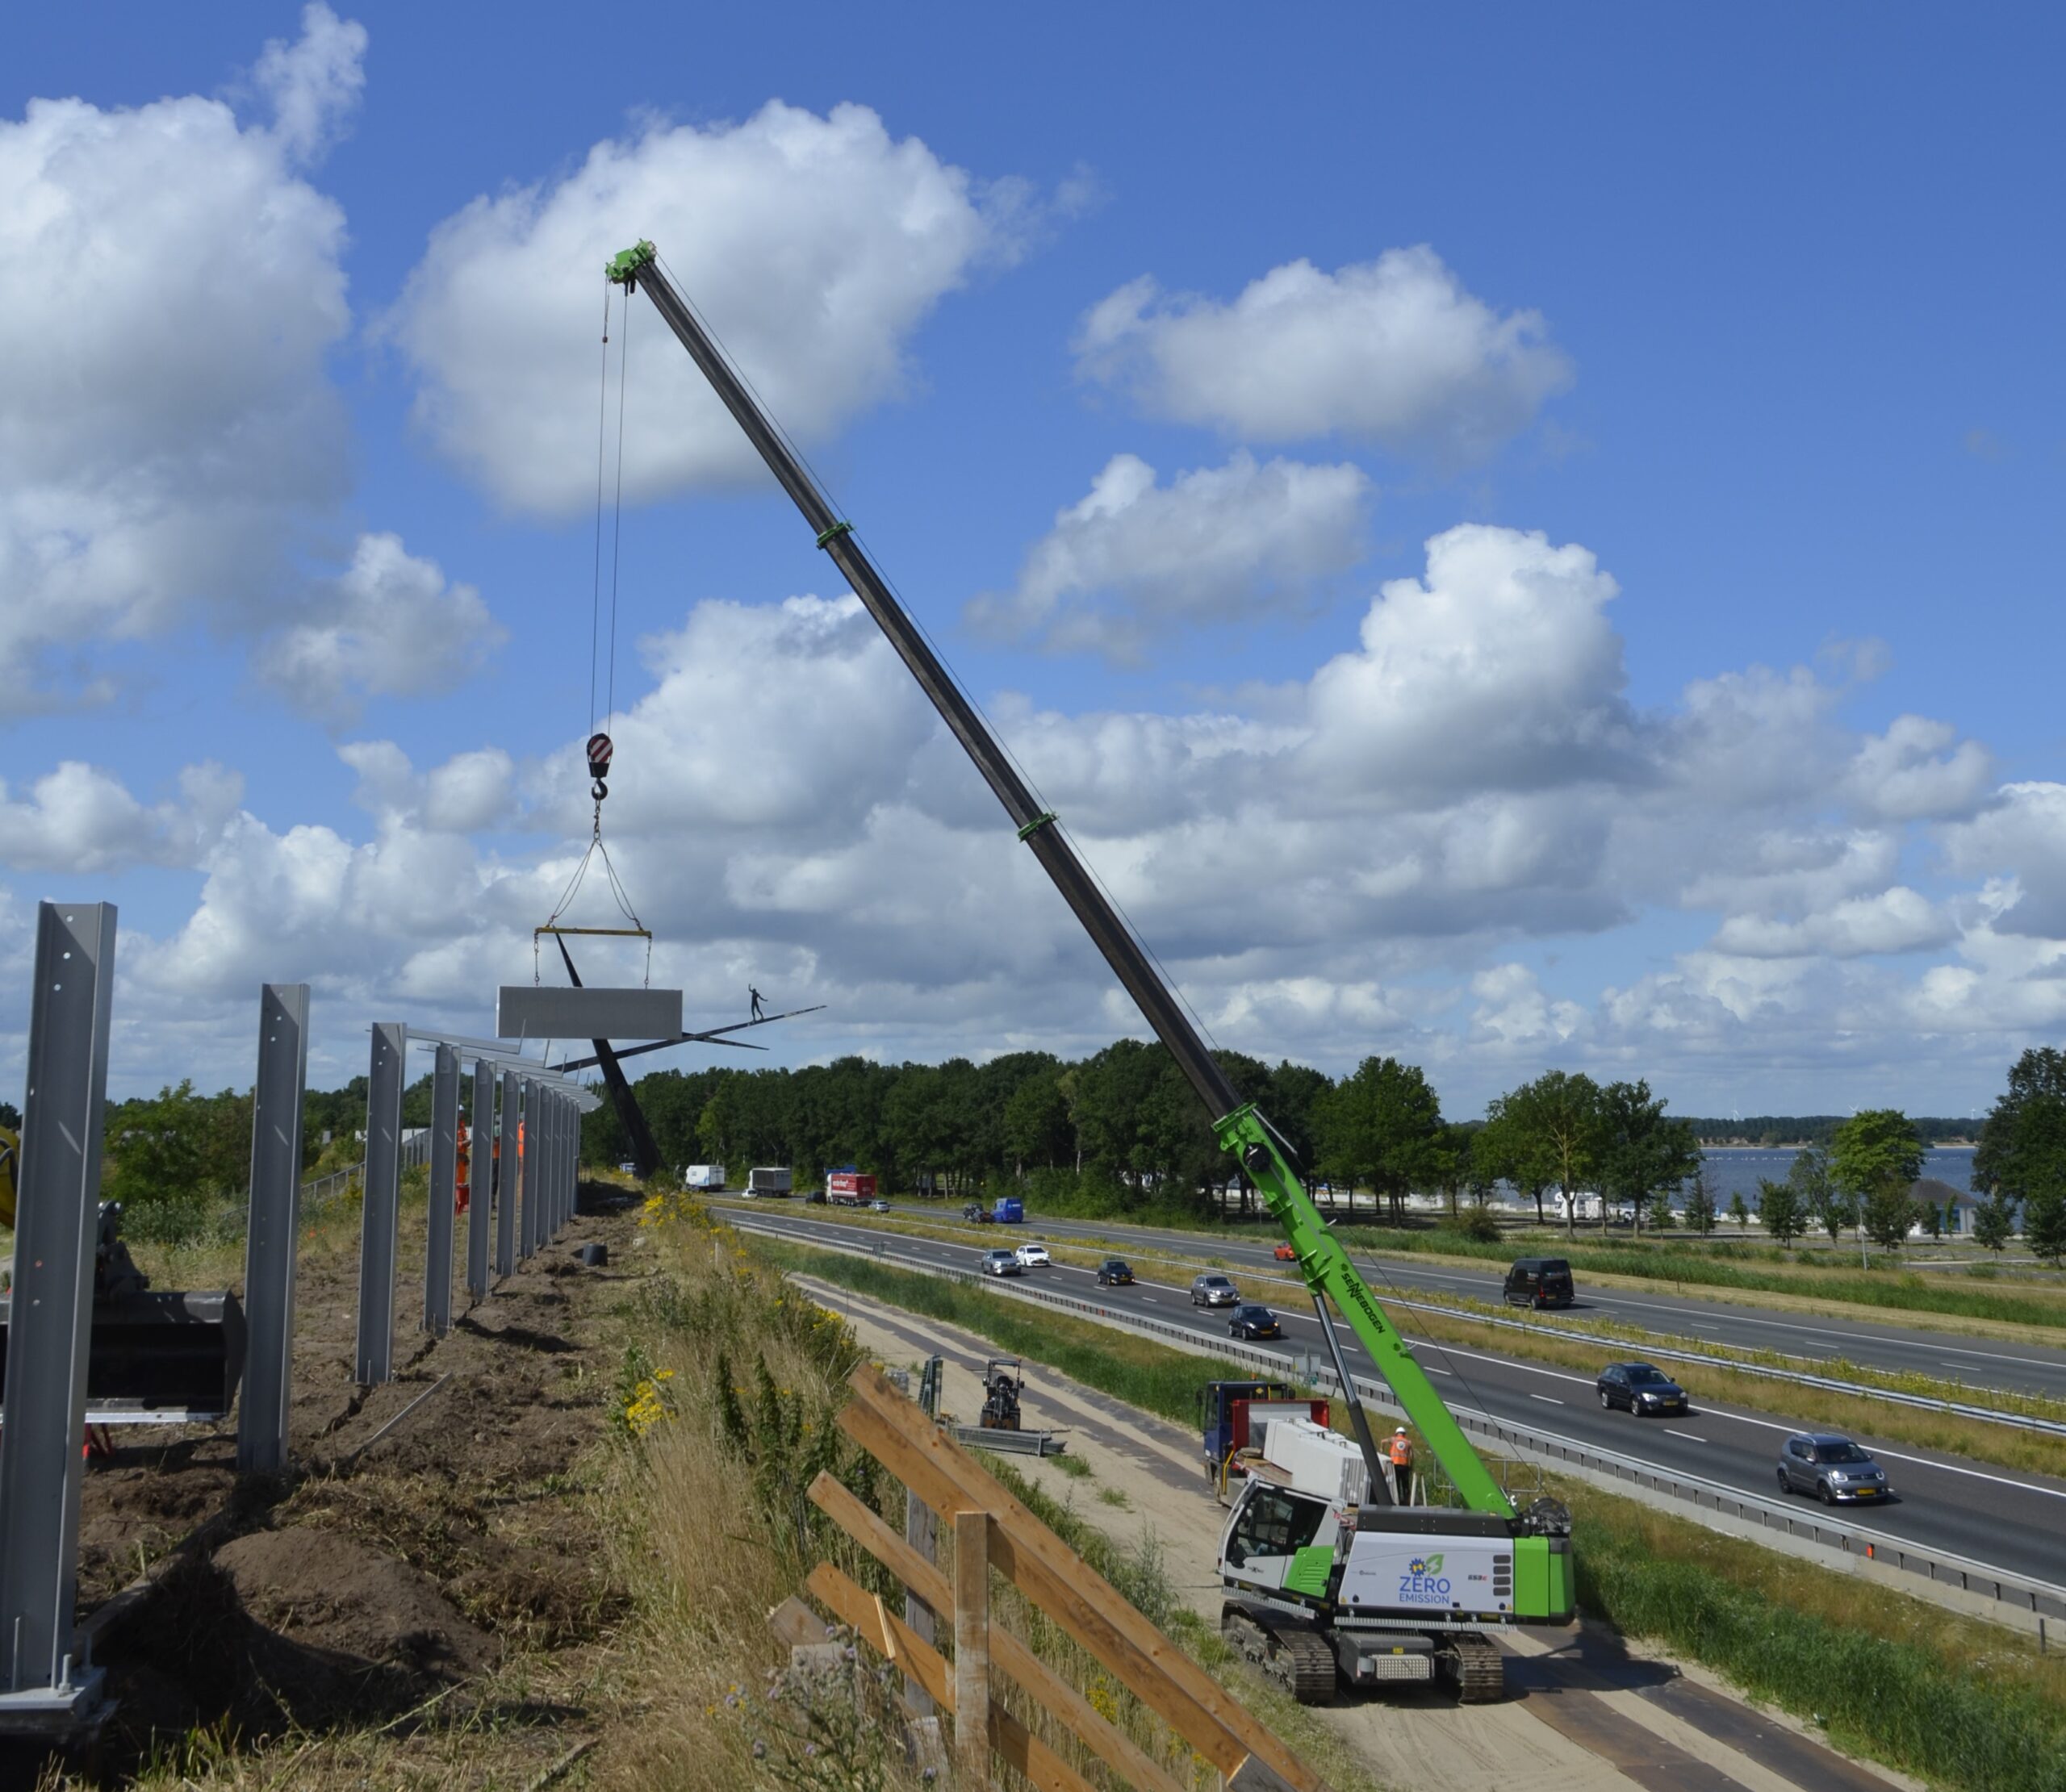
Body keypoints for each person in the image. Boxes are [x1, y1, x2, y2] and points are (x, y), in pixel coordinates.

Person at [1387, 1426, 1415, 1505]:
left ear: (1396, 1433)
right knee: (1405, 1484)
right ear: (1404, 1434)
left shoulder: (1393, 1439)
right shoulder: (1408, 1442)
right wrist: (1411, 1466)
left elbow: (1383, 1441)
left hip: (1395, 1465)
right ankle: (1407, 1501)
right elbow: (1412, 1455)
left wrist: (1381, 1449)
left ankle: (1397, 1501)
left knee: (1396, 1484)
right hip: (1405, 1466)